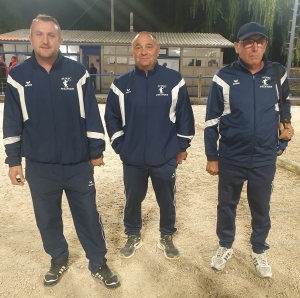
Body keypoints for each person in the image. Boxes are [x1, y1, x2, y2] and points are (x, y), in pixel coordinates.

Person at [3, 14, 119, 289]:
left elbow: (91, 114)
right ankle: (58, 258)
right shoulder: (18, 76)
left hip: (78, 164)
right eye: (39, 34)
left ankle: (98, 262)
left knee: (88, 215)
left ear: (60, 39)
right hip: (40, 167)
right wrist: (13, 160)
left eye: (51, 35)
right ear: (30, 38)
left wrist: (95, 150)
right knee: (47, 218)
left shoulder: (77, 72)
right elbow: (11, 122)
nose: (45, 40)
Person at [204, 22, 294, 278]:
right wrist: (212, 156)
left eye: (260, 42)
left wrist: (286, 123)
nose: (255, 47)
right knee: (226, 205)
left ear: (264, 45)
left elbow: (284, 99)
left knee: (261, 206)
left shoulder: (277, 72)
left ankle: (258, 249)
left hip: (265, 157)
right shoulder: (223, 76)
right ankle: (225, 246)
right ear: (238, 46)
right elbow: (211, 120)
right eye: (248, 42)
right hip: (232, 156)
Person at [105, 31, 195, 260]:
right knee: (132, 199)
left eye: (148, 46)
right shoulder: (121, 83)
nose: (143, 51)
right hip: (132, 158)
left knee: (167, 200)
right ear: (132, 51)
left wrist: (181, 147)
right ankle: (133, 234)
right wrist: (121, 147)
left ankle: (166, 235)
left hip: (164, 157)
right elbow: (111, 117)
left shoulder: (174, 80)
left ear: (157, 50)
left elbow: (185, 116)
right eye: (138, 47)